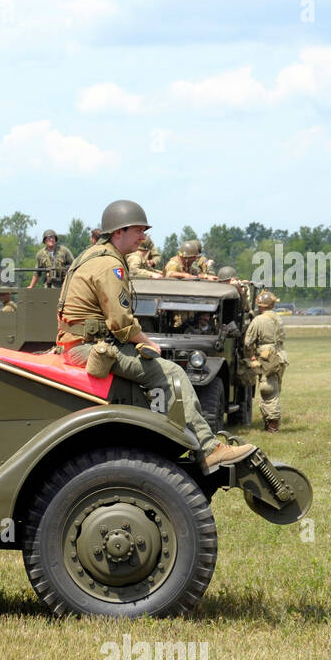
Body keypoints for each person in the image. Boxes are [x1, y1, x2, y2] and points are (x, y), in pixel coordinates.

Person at [55, 199, 256, 471]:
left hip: (79, 345)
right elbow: (121, 322)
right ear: (118, 232)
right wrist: (148, 343)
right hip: (89, 348)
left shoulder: (90, 256)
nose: (143, 237)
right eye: (137, 230)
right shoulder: (109, 265)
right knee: (172, 374)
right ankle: (209, 450)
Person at [244, 290, 288, 432]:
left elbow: (248, 342)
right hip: (280, 357)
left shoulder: (259, 320)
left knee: (268, 390)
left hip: (268, 358)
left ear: (261, 305)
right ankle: (268, 423)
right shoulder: (278, 319)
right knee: (274, 389)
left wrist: (251, 355)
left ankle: (272, 427)